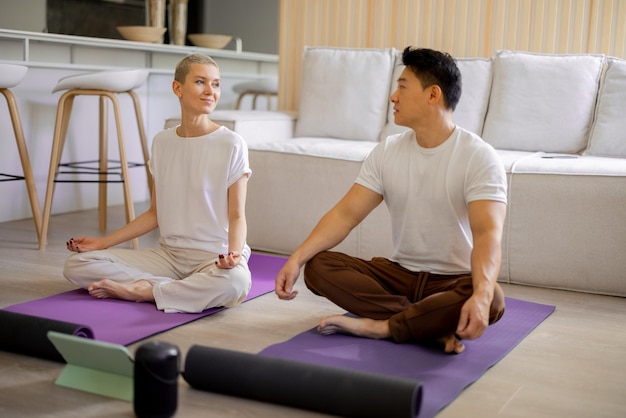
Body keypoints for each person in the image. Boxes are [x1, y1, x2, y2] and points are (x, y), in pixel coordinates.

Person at [275, 47, 508, 353]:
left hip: (452, 282)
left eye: (402, 86)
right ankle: (424, 326)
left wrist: (480, 294)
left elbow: (487, 235)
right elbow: (345, 215)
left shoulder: (479, 157)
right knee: (319, 266)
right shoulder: (387, 151)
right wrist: (297, 259)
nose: (393, 97)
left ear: (433, 95)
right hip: (398, 276)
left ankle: (384, 325)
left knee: (492, 297)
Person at [63, 53, 252, 313]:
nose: (210, 91)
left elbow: (237, 215)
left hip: (214, 258)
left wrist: (233, 255)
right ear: (178, 88)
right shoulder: (162, 142)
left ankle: (144, 291)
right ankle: (167, 288)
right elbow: (154, 214)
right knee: (76, 265)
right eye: (200, 82)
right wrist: (103, 243)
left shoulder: (231, 143)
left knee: (236, 282)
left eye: (216, 84)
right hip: (168, 257)